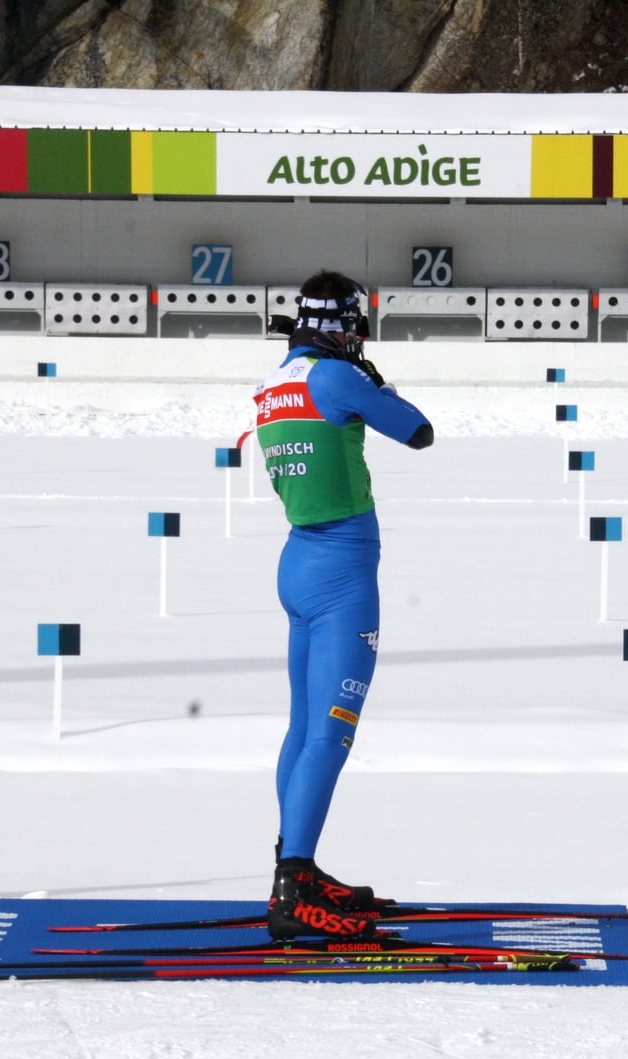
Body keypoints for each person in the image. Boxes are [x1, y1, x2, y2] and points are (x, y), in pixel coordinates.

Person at [252, 269, 434, 939]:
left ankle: (294, 866)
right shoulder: (334, 378)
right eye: (356, 324)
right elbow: (418, 431)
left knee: (302, 729)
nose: (360, 336)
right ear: (340, 324)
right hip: (342, 573)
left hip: (298, 562)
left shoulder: (276, 382)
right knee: (332, 731)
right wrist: (375, 383)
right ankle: (293, 883)